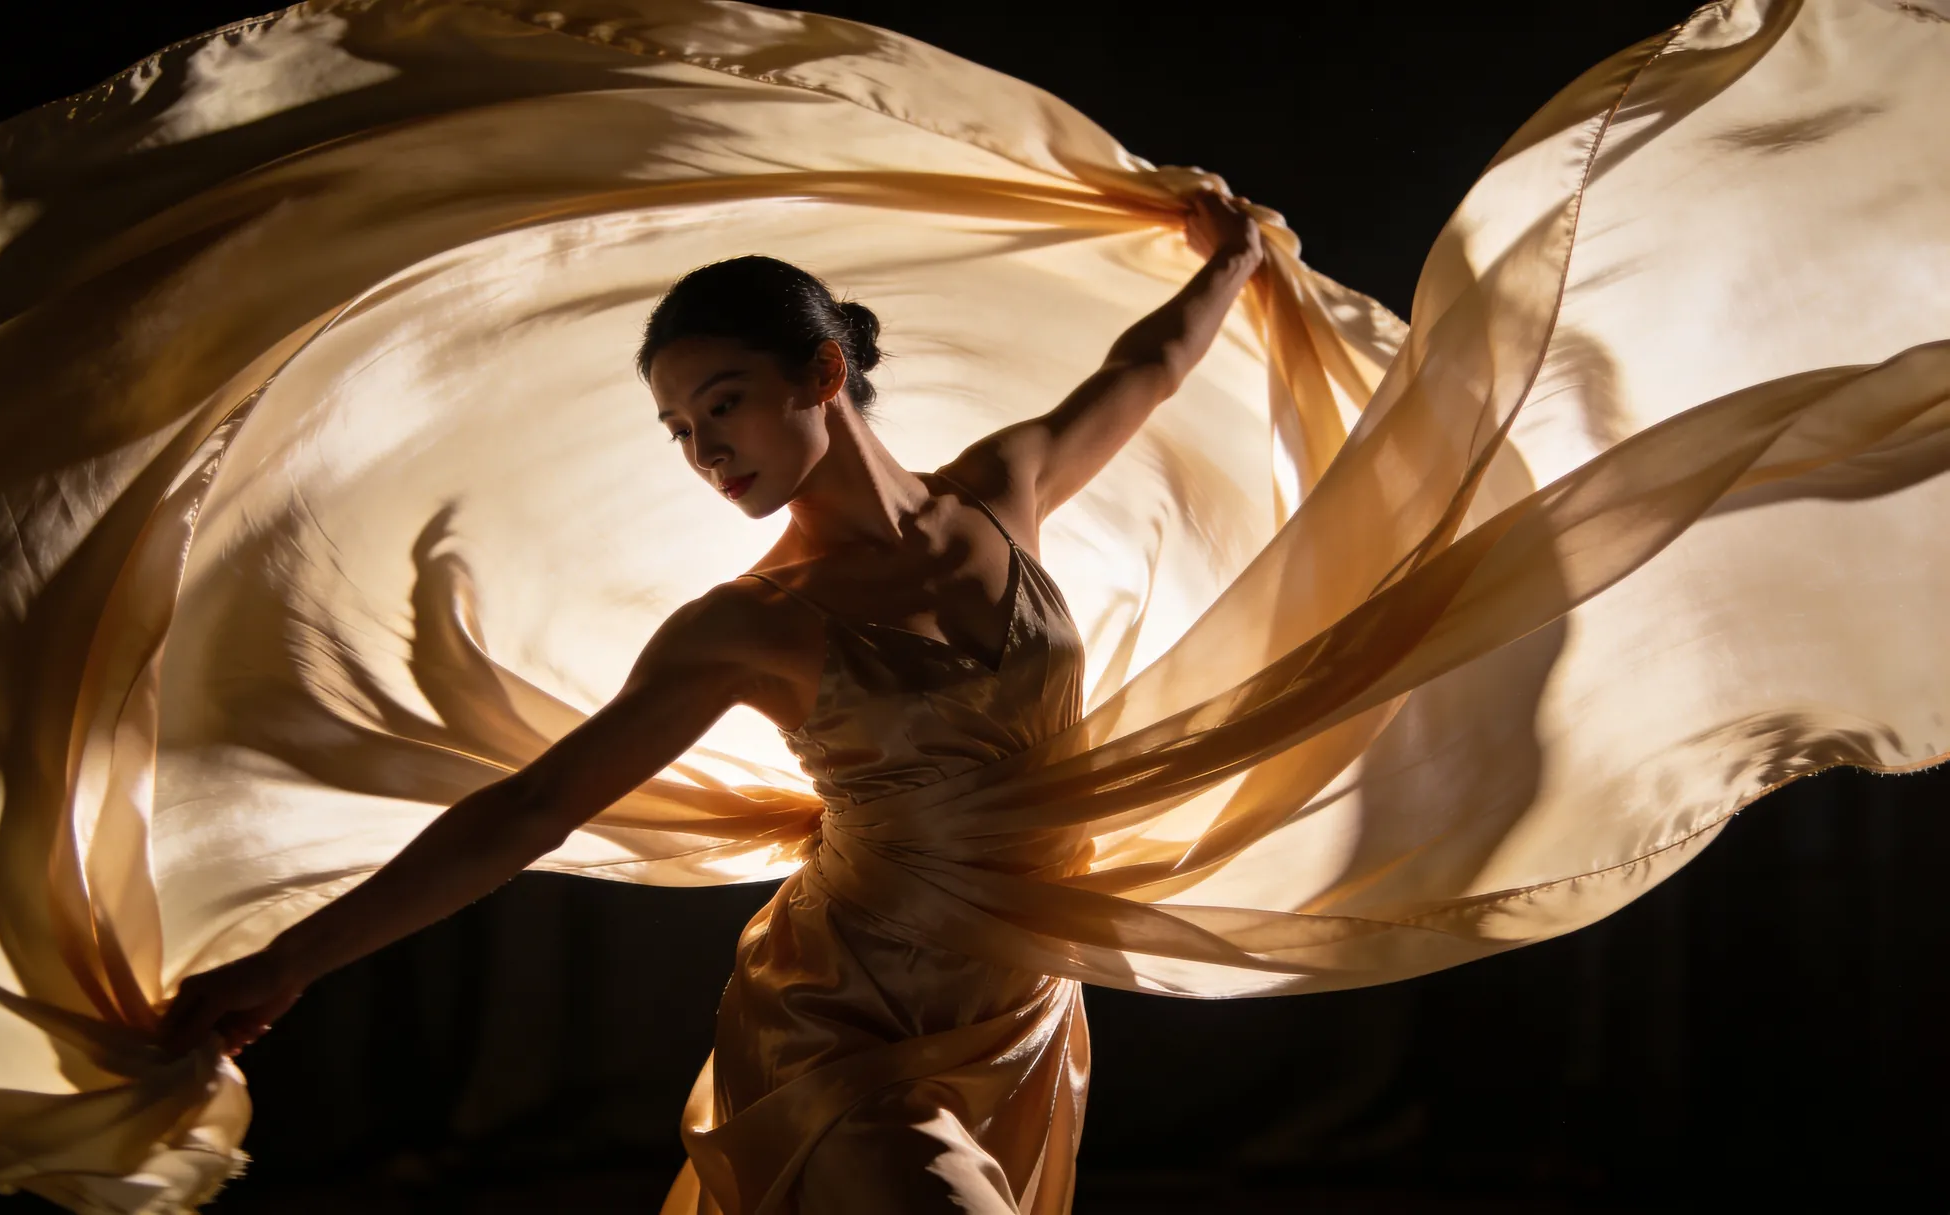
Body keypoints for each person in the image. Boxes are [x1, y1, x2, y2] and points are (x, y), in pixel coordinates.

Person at [158, 182, 1263, 1210]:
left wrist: (1236, 257)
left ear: (822, 375)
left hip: (1019, 1019)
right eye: (682, 431)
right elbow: (530, 810)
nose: (704, 451)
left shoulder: (1003, 492)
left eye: (722, 406)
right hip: (845, 1031)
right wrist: (289, 962)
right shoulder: (745, 626)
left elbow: (1151, 364)